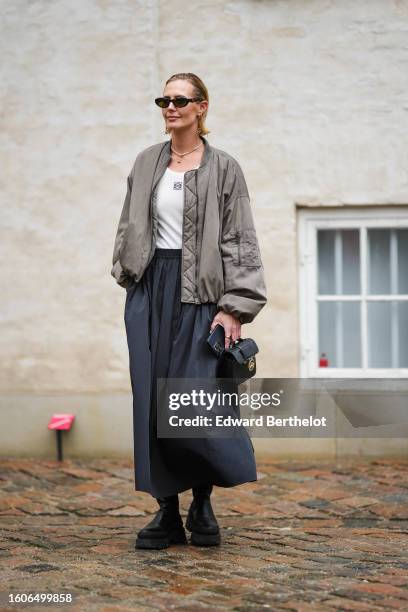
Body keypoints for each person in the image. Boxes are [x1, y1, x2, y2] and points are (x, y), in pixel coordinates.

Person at [111, 72, 267, 550]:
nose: (170, 107)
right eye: (164, 99)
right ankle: (166, 511)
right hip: (150, 292)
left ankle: (202, 502)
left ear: (201, 107)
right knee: (153, 402)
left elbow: (240, 239)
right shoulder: (146, 162)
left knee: (193, 404)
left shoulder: (224, 168)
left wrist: (235, 307)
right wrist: (129, 275)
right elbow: (128, 225)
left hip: (201, 296)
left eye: (180, 100)